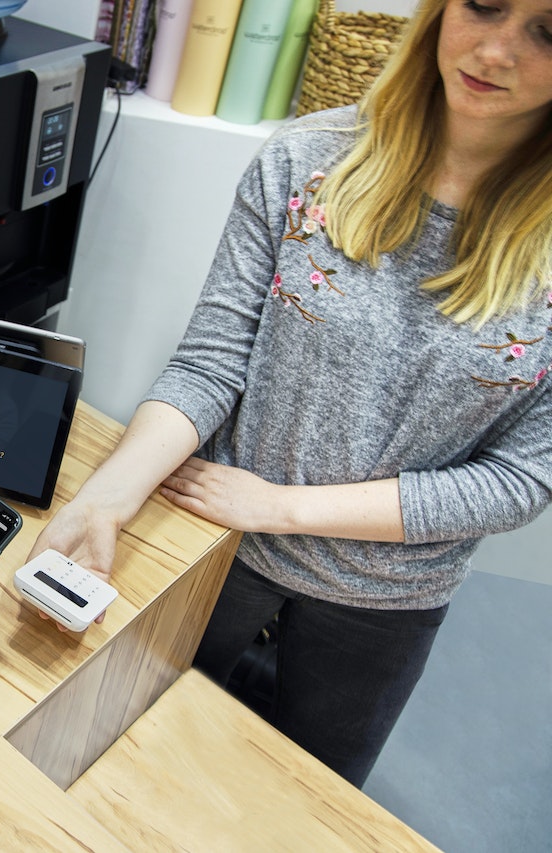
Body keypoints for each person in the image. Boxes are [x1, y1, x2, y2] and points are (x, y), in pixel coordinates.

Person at [30, 0, 552, 788]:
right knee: (117, 761)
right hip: (215, 540)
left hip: (385, 597)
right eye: (483, 5)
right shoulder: (309, 159)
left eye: (549, 31)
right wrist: (106, 497)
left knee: (303, 796)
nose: (498, 50)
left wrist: (281, 507)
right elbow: (212, 361)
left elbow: (520, 480)